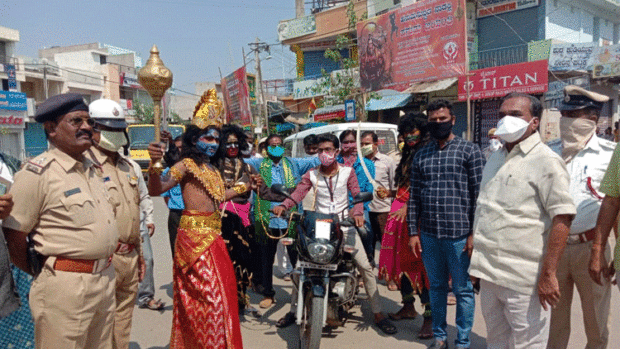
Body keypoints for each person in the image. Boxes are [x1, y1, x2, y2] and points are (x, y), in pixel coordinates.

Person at [3, 93, 118, 349]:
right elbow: (14, 235)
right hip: (65, 288)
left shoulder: (92, 168)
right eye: (76, 121)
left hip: (105, 279)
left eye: (89, 122)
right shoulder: (37, 174)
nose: (87, 127)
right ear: (52, 128)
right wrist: (46, 271)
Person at [469, 92, 576, 349]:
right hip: (490, 274)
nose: (507, 120)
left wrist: (549, 274)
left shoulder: (546, 161)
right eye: (502, 114)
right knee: (496, 341)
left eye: (516, 115)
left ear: (534, 122)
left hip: (524, 280)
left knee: (528, 344)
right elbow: (485, 209)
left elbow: (562, 217)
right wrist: (476, 265)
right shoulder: (495, 157)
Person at [147, 89, 248, 348]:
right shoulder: (187, 164)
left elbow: (217, 197)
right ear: (195, 138)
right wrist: (153, 166)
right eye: (207, 137)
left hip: (214, 238)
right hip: (193, 240)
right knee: (207, 301)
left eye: (216, 138)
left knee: (224, 297)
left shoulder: (212, 168)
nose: (213, 142)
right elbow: (156, 189)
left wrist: (241, 187)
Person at [272, 133, 398, 335]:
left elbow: (357, 196)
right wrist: (284, 205)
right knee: (301, 267)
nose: (324, 154)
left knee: (365, 267)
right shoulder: (312, 174)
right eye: (320, 150)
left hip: (343, 226)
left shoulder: (348, 172)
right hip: (318, 225)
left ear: (336, 152)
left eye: (328, 150)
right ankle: (293, 310)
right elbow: (298, 192)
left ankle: (378, 313)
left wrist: (357, 213)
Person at [408, 99, 484, 349]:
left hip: (460, 236)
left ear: (453, 120)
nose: (438, 123)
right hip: (429, 235)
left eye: (442, 119)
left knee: (462, 291)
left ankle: (462, 341)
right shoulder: (422, 154)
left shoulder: (469, 151)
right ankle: (440, 338)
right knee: (437, 288)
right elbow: (414, 196)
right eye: (433, 120)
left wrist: (474, 233)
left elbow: (479, 196)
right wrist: (412, 232)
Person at [545, 86, 614, 349]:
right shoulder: (550, 152)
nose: (565, 120)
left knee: (596, 322)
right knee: (553, 321)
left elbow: (615, 205)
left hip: (591, 248)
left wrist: (611, 253)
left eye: (572, 114)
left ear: (592, 120)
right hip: (555, 248)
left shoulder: (610, 154)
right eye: (563, 113)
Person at [86, 99, 146, 349]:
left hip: (130, 255)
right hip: (104, 259)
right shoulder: (84, 165)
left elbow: (137, 208)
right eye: (109, 130)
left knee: (123, 319)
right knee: (100, 323)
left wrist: (140, 254)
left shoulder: (127, 165)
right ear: (93, 130)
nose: (115, 135)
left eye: (118, 129)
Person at [244, 134, 319, 309]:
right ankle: (268, 293)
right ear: (266, 149)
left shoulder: (294, 163)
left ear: (283, 147)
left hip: (290, 218)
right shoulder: (258, 164)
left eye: (279, 144)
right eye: (272, 145)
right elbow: (242, 160)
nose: (276, 147)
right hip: (267, 219)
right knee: (266, 258)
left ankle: (301, 292)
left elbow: (316, 160)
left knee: (296, 257)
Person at [378, 113, 433, 339]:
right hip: (397, 214)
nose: (409, 136)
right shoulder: (408, 154)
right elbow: (406, 185)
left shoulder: (428, 154)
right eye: (406, 132)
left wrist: (408, 207)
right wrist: (391, 194)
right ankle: (408, 306)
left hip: (416, 217)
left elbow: (426, 188)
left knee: (419, 266)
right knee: (400, 264)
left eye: (414, 131)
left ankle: (429, 317)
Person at [217, 124, 260, 315]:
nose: (232, 147)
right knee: (223, 261)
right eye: (228, 144)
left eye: (236, 143)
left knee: (243, 261)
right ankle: (222, 301)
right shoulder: (214, 166)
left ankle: (241, 301)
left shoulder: (248, 166)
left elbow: (264, 190)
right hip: (220, 220)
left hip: (243, 219)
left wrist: (284, 201)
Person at [337, 130, 376, 265]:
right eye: (345, 142)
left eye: (352, 141)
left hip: (360, 206)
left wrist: (356, 208)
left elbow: (368, 190)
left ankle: (368, 259)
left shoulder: (367, 164)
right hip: (338, 207)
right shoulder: (334, 163)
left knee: (366, 232)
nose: (349, 145)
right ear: (341, 144)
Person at [361, 131, 396, 261]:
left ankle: (389, 277)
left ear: (376, 144)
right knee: (367, 245)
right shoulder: (360, 162)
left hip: (383, 211)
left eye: (367, 143)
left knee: (386, 245)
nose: (364, 146)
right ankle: (367, 274)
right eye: (362, 144)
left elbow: (394, 187)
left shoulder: (387, 161)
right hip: (365, 210)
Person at [162, 135, 184, 257]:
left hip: (192, 216)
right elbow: (166, 196)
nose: (179, 151)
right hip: (176, 214)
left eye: (181, 148)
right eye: (177, 148)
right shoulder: (168, 172)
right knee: (176, 251)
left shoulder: (194, 170)